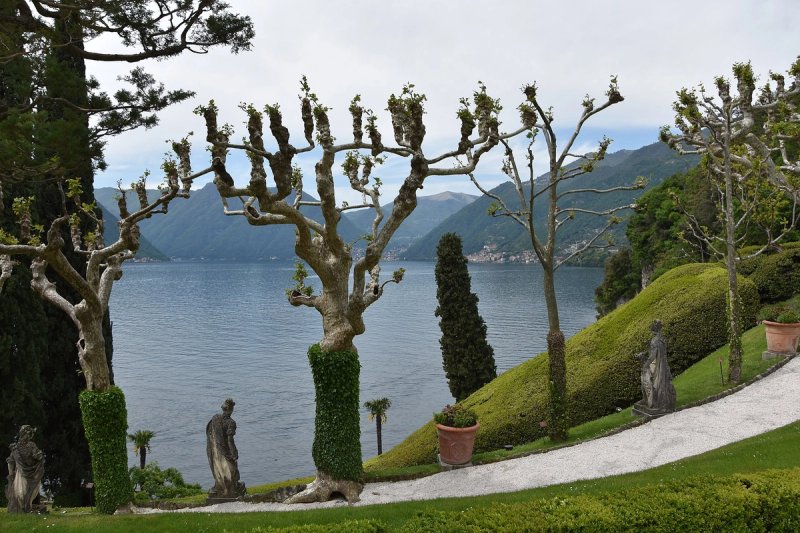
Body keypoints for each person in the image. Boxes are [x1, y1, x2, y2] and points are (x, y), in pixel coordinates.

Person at [206, 398, 245, 499]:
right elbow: (230, 440)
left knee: (218, 468)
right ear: (231, 410)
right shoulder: (231, 423)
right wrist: (234, 453)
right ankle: (232, 487)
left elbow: (210, 435)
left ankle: (219, 486)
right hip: (225, 450)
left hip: (215, 451)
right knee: (231, 468)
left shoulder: (215, 418)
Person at [638, 320, 676, 411]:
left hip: (658, 365)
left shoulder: (654, 340)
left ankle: (658, 404)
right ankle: (665, 403)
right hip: (663, 363)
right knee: (662, 383)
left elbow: (652, 356)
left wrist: (645, 365)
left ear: (653, 329)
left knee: (656, 383)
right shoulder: (662, 338)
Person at [6, 425, 45, 513]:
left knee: (29, 492)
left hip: (31, 471)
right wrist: (11, 474)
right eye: (27, 434)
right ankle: (21, 508)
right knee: (20, 493)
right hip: (20, 473)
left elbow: (36, 455)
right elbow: (10, 462)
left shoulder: (32, 445)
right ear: (22, 434)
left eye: (30, 434)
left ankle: (26, 507)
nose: (29, 436)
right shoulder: (15, 447)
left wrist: (39, 456)